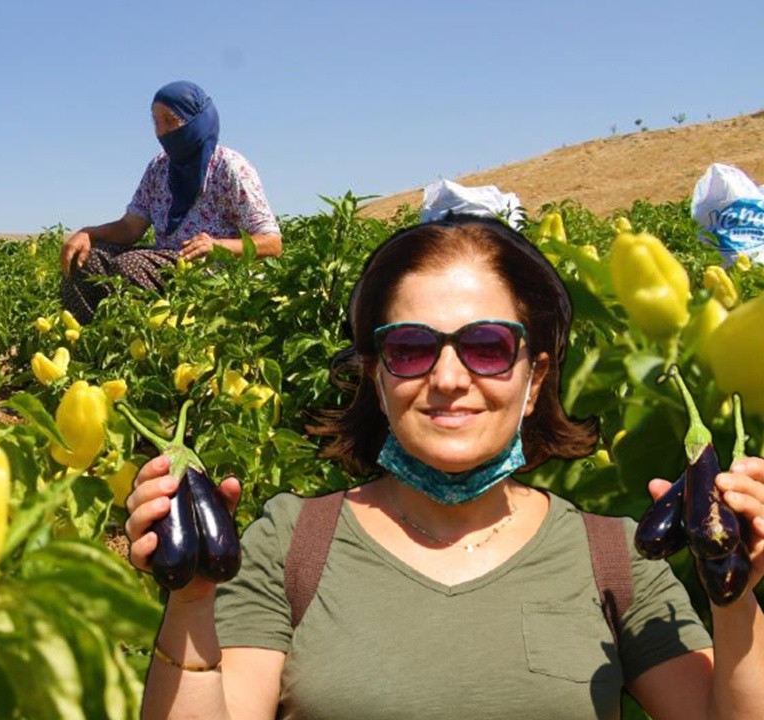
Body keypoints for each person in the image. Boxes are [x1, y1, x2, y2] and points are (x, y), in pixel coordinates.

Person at [124, 215, 764, 719]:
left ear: (534, 377)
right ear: (376, 377)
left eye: (487, 347)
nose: (449, 379)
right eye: (410, 348)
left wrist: (737, 598)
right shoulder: (289, 544)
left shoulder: (616, 558)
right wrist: (191, 603)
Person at [59, 80, 282, 324]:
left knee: (130, 266)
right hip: (164, 262)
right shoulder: (159, 167)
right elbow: (131, 228)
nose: (162, 131)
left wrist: (217, 246)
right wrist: (88, 234)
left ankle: (145, 349)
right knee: (84, 260)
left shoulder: (229, 167)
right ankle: (93, 344)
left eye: (170, 120)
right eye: (156, 122)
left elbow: (272, 244)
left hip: (212, 271)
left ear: (196, 120)